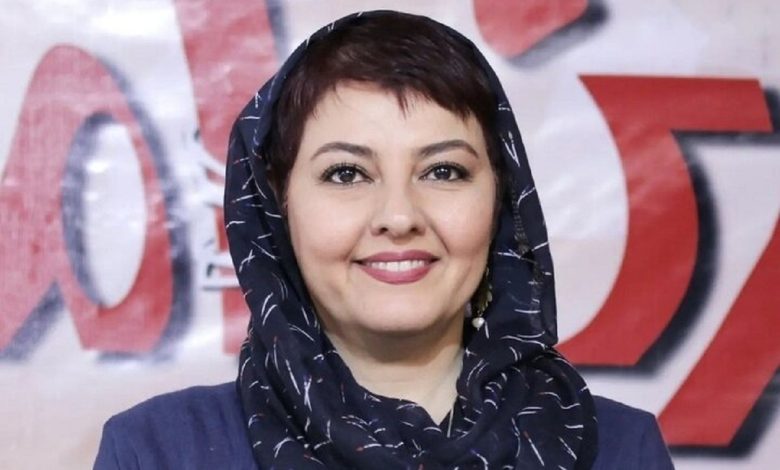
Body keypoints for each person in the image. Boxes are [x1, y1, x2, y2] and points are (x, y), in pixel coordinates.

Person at [94, 10, 674, 469]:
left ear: (501, 200)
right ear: (277, 206)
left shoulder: (620, 449)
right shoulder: (157, 451)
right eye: (346, 174)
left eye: (443, 171)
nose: (398, 216)